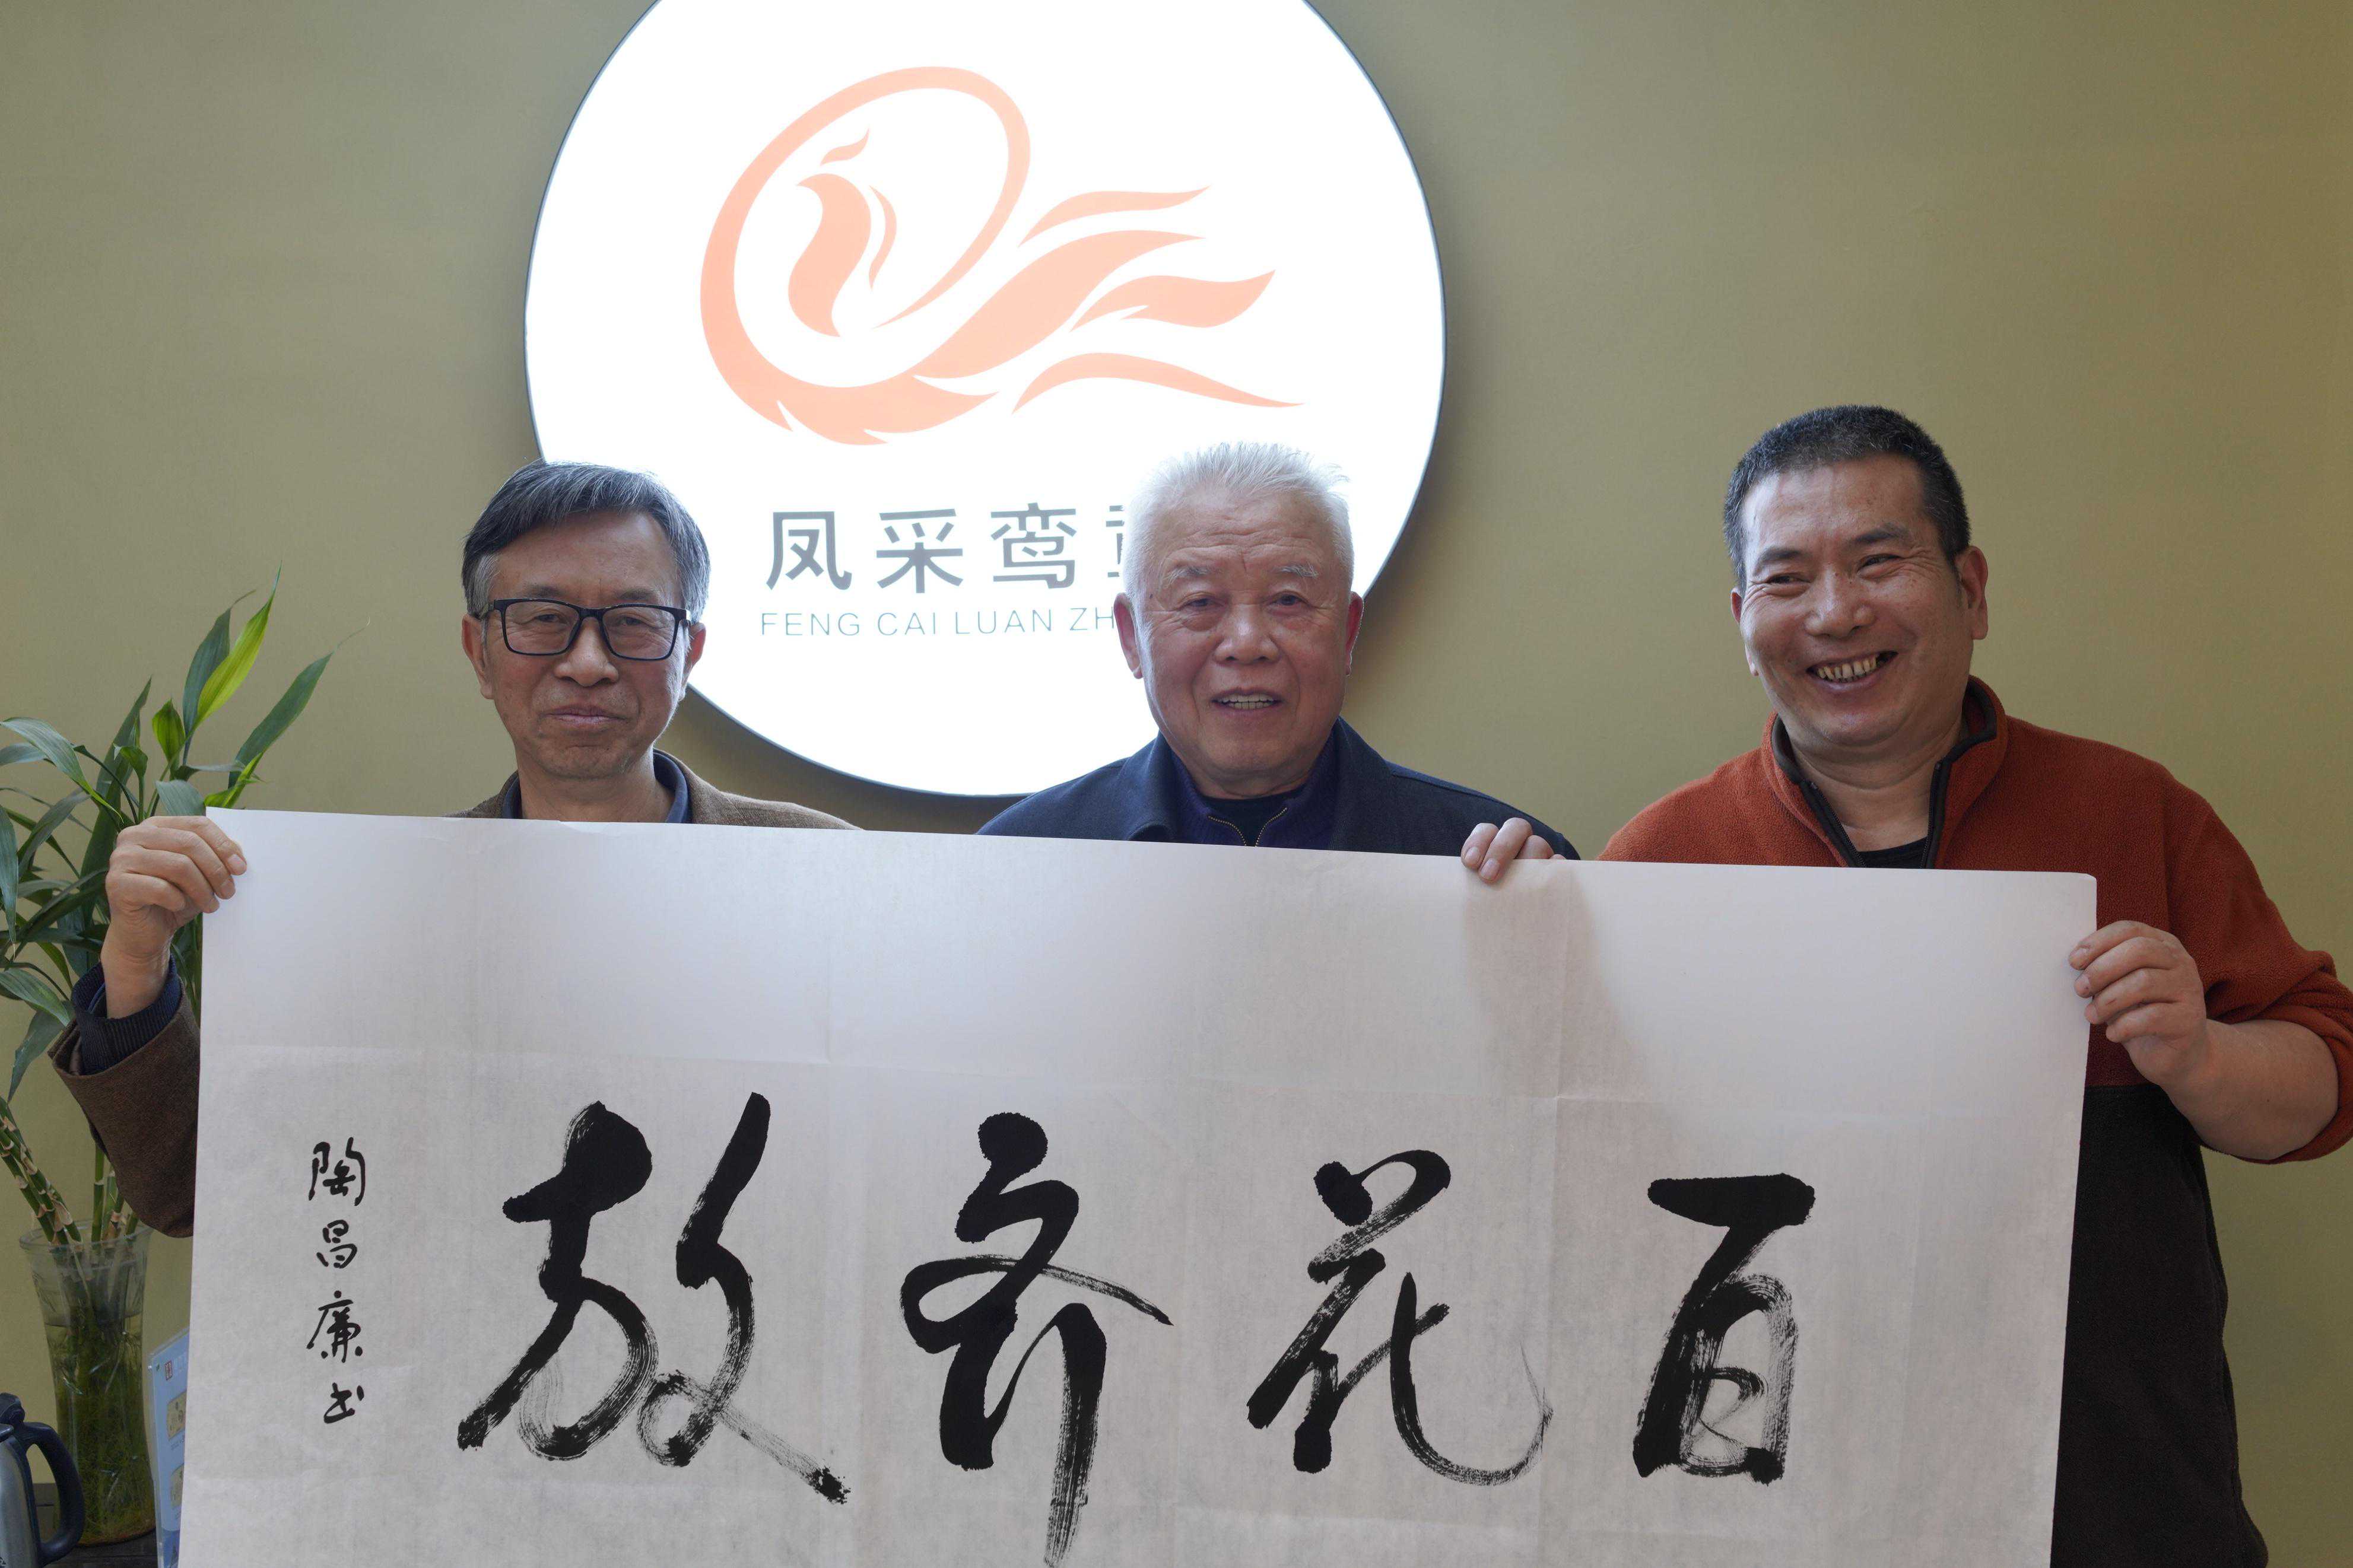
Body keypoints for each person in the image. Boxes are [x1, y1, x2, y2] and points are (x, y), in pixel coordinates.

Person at [1482, 405, 2348, 1565]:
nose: (1834, 612)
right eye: (1786, 577)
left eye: (1877, 561)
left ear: (1969, 589)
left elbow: (2321, 1087)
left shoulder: (2132, 814)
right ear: (1742, 621)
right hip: (1774, 1503)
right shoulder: (1663, 863)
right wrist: (1503, 963)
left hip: (2111, 1501)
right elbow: (1573, 1179)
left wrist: (2199, 1055)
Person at [47, 461, 853, 1237]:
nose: (587, 663)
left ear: (689, 651)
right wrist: (135, 965)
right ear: (479, 652)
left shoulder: (833, 883)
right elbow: (191, 1192)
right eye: (543, 619)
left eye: (633, 623)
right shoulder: (378, 911)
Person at [982, 442, 1573, 861]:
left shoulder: (1482, 860)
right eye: (1199, 602)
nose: (1246, 645)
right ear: (1131, 637)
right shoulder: (1017, 863)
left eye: (1288, 600)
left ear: (1346, 632)